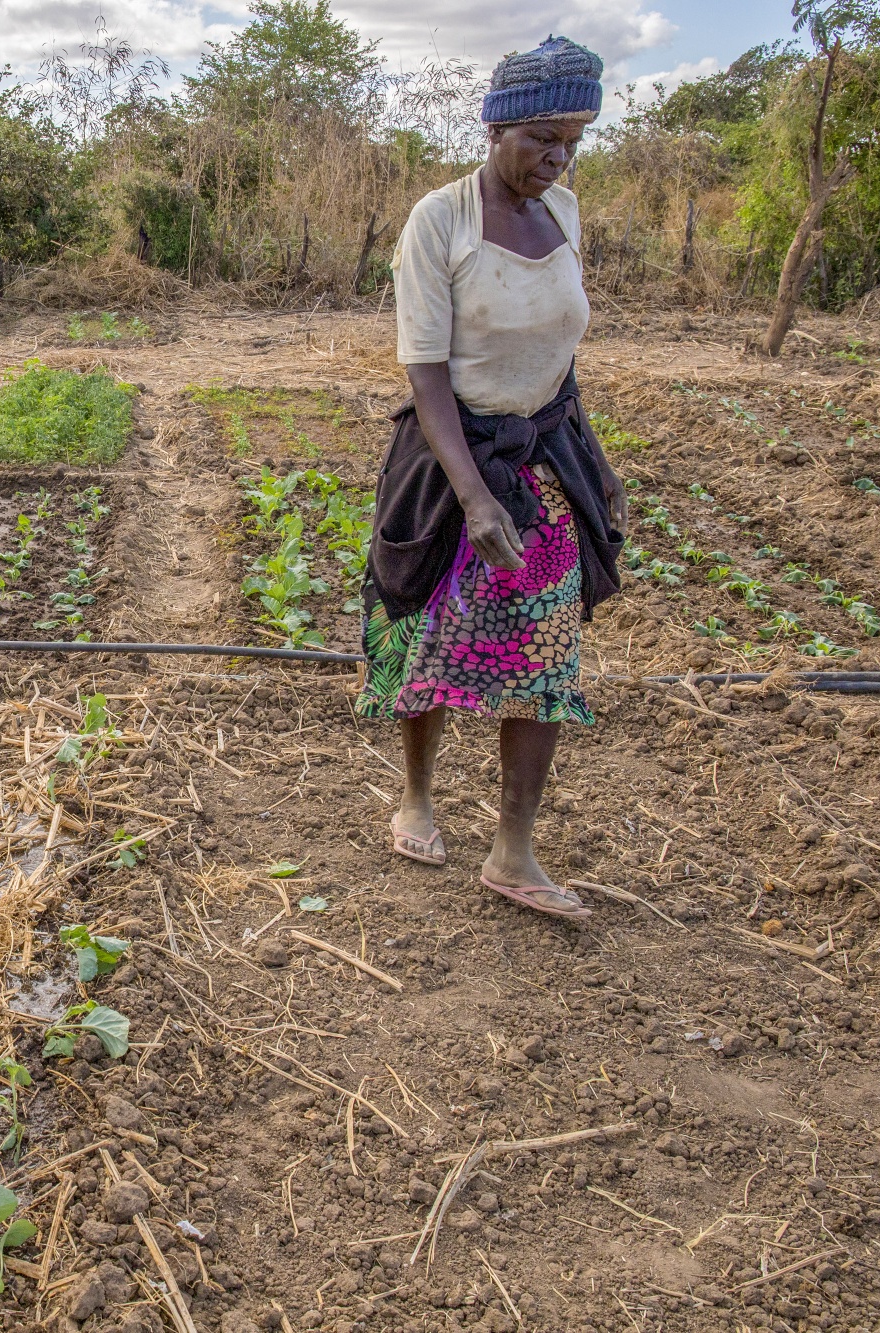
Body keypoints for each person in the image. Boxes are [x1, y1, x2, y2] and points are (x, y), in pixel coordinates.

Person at [355, 36, 627, 921]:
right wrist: (472, 494)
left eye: (573, 142)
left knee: (547, 652)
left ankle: (514, 849)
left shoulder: (567, 215)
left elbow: (562, 354)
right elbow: (426, 372)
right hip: (451, 463)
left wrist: (593, 459)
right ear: (498, 127)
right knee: (426, 635)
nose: (557, 158)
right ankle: (418, 796)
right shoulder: (441, 220)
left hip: (545, 460)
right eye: (545, 138)